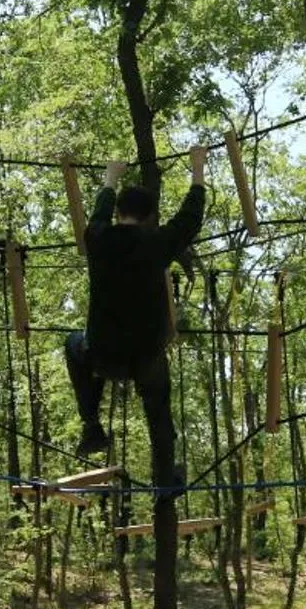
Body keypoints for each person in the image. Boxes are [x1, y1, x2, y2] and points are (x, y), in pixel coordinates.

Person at [65, 149, 207, 486]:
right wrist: (198, 171)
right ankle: (165, 479)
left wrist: (111, 177)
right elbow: (189, 218)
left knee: (72, 344)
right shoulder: (156, 242)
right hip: (146, 356)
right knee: (159, 410)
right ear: (150, 217)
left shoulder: (98, 239)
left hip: (103, 354)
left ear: (118, 214)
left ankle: (92, 426)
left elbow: (98, 213)